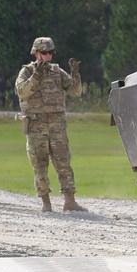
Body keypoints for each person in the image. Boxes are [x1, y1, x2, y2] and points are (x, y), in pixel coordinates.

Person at [14, 36, 85, 212]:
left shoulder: (57, 71)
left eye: (51, 52)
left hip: (57, 126)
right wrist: (36, 76)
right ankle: (46, 203)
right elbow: (23, 91)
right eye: (44, 52)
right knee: (40, 165)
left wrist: (75, 74)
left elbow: (76, 91)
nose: (48, 56)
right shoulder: (27, 72)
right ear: (36, 53)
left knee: (64, 163)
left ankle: (70, 201)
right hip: (37, 127)